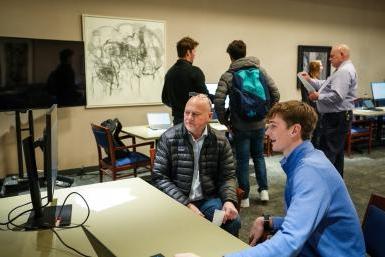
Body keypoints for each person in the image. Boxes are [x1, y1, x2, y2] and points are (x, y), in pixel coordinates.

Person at [175, 100, 365, 257]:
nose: (267, 133)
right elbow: (305, 220)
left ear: (294, 130)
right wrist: (270, 222)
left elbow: (290, 240)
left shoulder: (310, 172)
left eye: (273, 126)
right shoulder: (307, 161)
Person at [152, 94, 241, 236]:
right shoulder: (169, 138)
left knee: (232, 222)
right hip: (178, 199)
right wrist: (186, 204)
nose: (189, 118)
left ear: (209, 116)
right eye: (187, 112)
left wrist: (229, 200)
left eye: (195, 114)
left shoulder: (220, 140)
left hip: (208, 199)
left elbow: (228, 176)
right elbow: (159, 177)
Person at [214, 40, 280, 207]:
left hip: (240, 125)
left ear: (230, 56)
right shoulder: (260, 71)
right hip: (259, 124)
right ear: (244, 53)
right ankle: (264, 191)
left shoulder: (228, 75)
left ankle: (244, 198)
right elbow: (276, 94)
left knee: (242, 160)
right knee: (259, 156)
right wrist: (266, 114)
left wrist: (225, 121)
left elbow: (219, 102)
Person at [301, 44, 357, 177]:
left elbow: (337, 96)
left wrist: (318, 96)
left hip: (336, 118)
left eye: (332, 56)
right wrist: (310, 80)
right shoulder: (341, 69)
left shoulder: (343, 71)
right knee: (336, 154)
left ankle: (326, 186)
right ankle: (335, 185)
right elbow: (326, 85)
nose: (330, 59)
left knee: (328, 153)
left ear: (342, 55)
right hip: (338, 117)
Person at [162, 37, 211, 125]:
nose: (195, 54)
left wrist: (178, 106)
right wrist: (218, 98)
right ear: (188, 52)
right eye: (194, 51)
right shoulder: (195, 71)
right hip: (194, 122)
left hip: (177, 122)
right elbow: (204, 97)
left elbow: (165, 99)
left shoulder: (169, 73)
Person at [300, 60, 323, 148]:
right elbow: (306, 99)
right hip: (312, 112)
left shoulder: (317, 80)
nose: (322, 67)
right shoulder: (306, 80)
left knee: (317, 135)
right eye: (320, 65)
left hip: (319, 111)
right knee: (311, 135)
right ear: (316, 67)